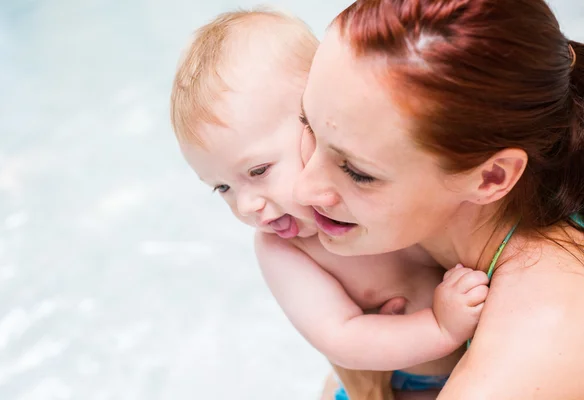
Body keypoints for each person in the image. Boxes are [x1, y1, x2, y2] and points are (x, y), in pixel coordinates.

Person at [170, 8, 490, 399]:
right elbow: (342, 337)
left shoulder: (384, 174)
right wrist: (441, 327)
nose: (247, 205)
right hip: (413, 383)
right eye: (222, 188)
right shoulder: (282, 249)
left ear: (318, 118)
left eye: (258, 171)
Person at [295, 0, 584, 398]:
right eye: (306, 124)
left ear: (492, 177)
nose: (302, 189)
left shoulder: (529, 352)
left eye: (359, 172)